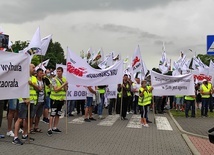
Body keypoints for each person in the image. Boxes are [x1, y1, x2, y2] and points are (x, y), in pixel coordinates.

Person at [13, 64, 38, 145]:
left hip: (31, 101)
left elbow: (38, 88)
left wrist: (32, 84)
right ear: (28, 68)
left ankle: (25, 134)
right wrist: (24, 99)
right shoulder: (22, 77)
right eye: (33, 67)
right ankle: (15, 137)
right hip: (23, 101)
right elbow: (19, 88)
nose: (34, 69)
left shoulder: (34, 77)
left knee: (28, 119)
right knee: (20, 119)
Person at [47, 67, 68, 136]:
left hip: (61, 99)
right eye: (57, 71)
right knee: (52, 114)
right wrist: (63, 85)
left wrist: (66, 86)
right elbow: (56, 89)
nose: (58, 72)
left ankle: (55, 127)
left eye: (60, 71)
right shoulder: (54, 79)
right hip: (54, 99)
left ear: (62, 72)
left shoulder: (64, 79)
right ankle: (49, 128)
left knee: (58, 114)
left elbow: (65, 89)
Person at [34, 68, 45, 132]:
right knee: (33, 114)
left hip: (42, 99)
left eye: (42, 73)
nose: (42, 74)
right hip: (37, 99)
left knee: (38, 115)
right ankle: (30, 127)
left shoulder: (43, 81)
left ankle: (36, 126)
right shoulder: (35, 80)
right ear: (37, 73)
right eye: (40, 73)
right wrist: (38, 88)